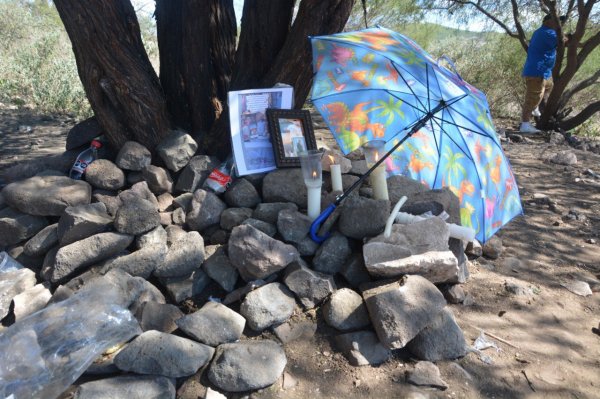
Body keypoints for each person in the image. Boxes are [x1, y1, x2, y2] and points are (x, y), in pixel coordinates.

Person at [520, 14, 566, 134]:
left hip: (545, 71)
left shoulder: (544, 32)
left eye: (560, 22)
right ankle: (525, 125)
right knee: (532, 98)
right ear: (547, 21)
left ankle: (536, 106)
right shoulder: (547, 33)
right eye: (556, 21)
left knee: (548, 87)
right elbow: (564, 40)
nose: (558, 24)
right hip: (537, 71)